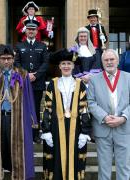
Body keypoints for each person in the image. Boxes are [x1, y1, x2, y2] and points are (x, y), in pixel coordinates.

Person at [0, 44, 37, 180]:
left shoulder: (23, 74)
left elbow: (29, 98)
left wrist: (32, 119)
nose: (6, 61)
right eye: (3, 58)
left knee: (18, 150)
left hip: (17, 119)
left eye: (9, 58)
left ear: (13, 59)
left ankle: (18, 175)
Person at [41, 48, 91, 180]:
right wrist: (46, 130)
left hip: (76, 128)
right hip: (56, 127)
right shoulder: (53, 83)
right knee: (56, 158)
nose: (66, 66)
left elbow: (85, 109)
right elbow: (47, 108)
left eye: (69, 63)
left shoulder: (80, 84)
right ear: (59, 66)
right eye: (63, 64)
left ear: (73, 66)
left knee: (74, 158)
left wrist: (85, 132)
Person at [87, 49, 130, 180]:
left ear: (117, 61)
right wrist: (104, 117)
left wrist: (123, 117)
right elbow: (91, 102)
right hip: (102, 128)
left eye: (112, 59)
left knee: (124, 168)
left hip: (124, 128)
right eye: (106, 60)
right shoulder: (94, 80)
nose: (109, 62)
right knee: (103, 168)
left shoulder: (128, 77)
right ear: (102, 62)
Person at [15, 19, 49, 143]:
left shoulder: (42, 46)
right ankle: (24, 133)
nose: (31, 31)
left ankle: (35, 134)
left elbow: (46, 63)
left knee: (35, 108)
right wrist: (25, 74)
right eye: (29, 29)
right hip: (23, 83)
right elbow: (16, 62)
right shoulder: (19, 46)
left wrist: (36, 75)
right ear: (26, 31)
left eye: (33, 29)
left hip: (37, 84)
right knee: (23, 108)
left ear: (36, 31)